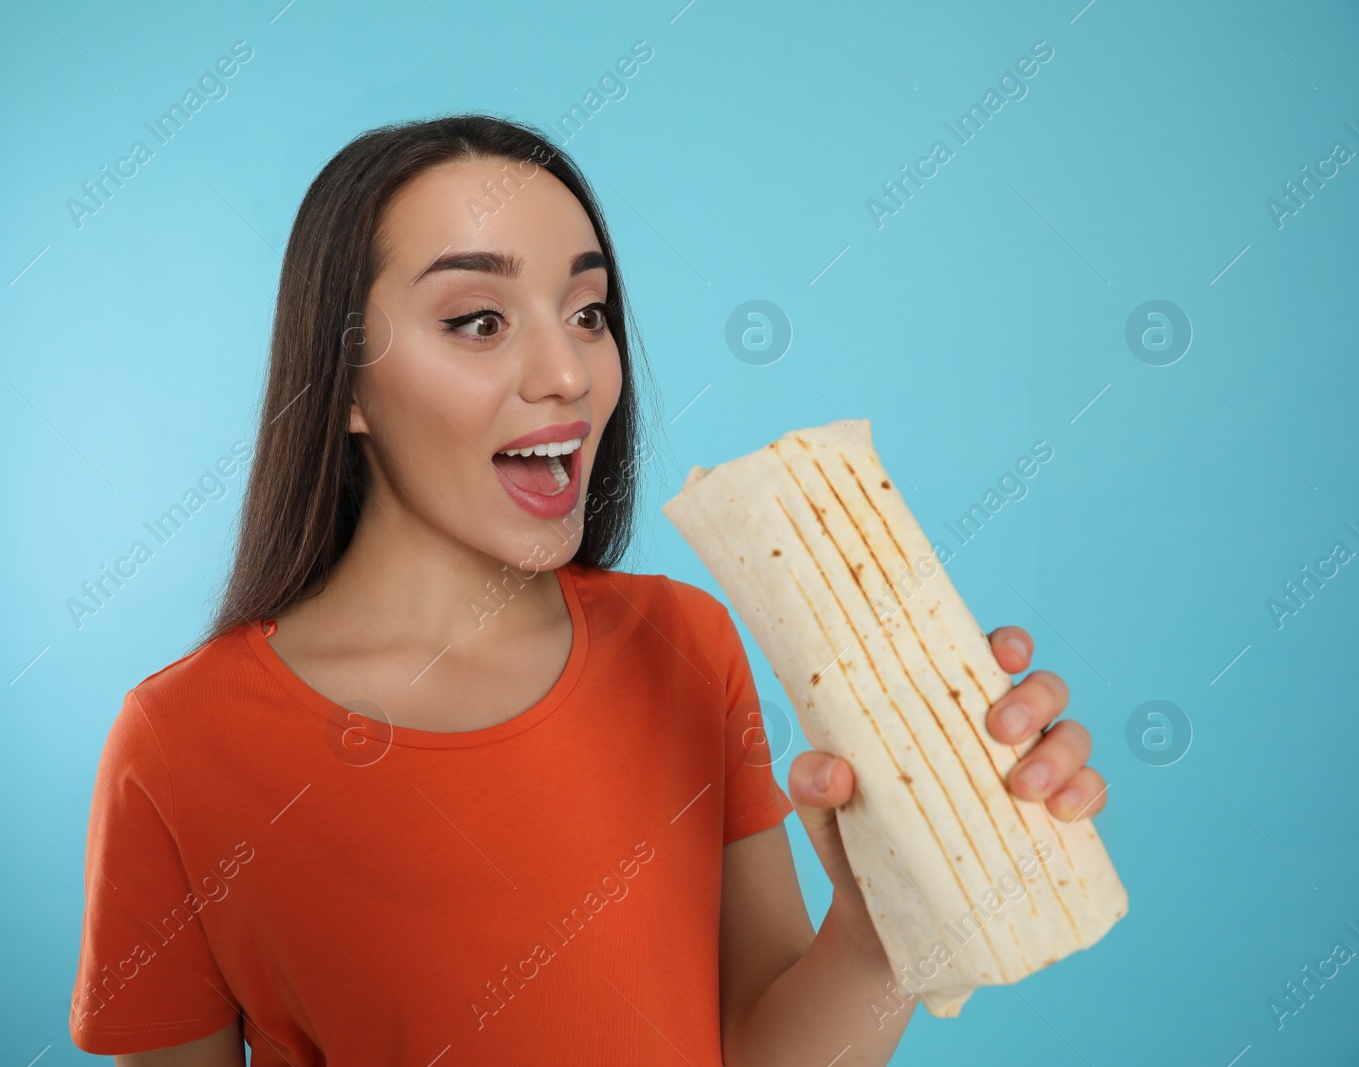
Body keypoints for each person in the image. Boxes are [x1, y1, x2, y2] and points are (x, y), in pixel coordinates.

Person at [67, 113, 1106, 1066]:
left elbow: (760, 1050)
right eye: (478, 319)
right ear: (342, 384)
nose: (567, 370)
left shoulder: (685, 643)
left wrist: (883, 926)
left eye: (588, 309)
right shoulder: (180, 743)